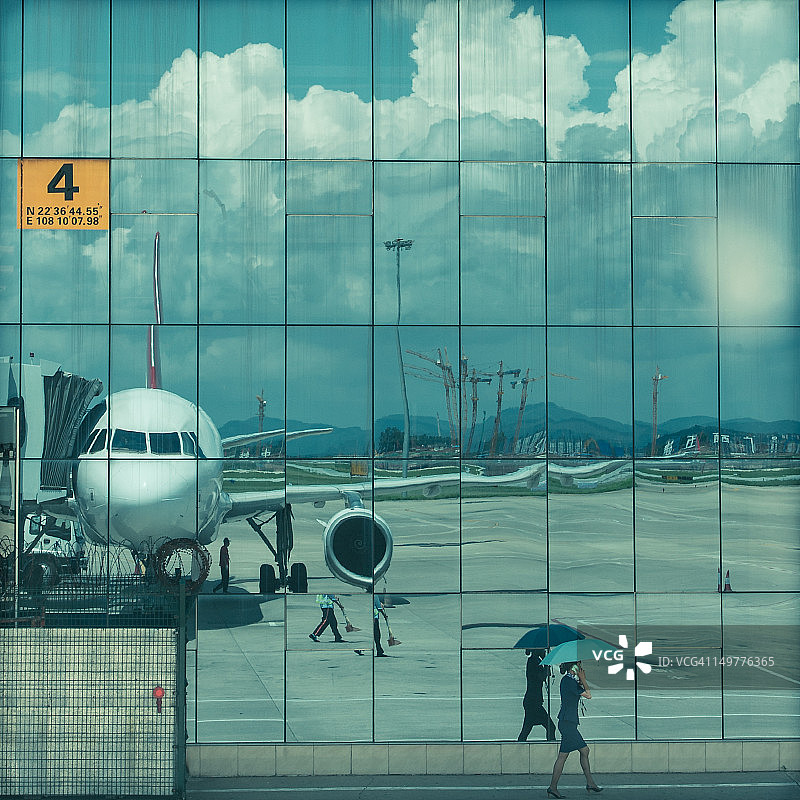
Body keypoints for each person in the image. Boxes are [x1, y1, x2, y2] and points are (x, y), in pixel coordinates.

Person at [547, 661, 602, 798]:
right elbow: (588, 695)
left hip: (568, 722)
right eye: (578, 665)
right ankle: (554, 787)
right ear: (573, 667)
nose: (580, 668)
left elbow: (579, 692)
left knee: (571, 754)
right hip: (567, 723)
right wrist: (583, 679)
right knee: (576, 752)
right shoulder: (569, 681)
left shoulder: (569, 680)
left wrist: (581, 680)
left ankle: (589, 783)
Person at [517, 649, 556, 741]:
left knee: (526, 729)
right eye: (542, 650)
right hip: (533, 702)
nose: (544, 651)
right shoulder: (533, 662)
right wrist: (546, 662)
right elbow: (541, 677)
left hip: (534, 701)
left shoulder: (537, 661)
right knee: (551, 727)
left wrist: (545, 661)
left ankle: (519, 745)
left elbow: (547, 674)